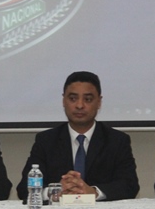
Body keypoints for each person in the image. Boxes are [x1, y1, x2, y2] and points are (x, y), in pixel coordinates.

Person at [16, 71, 140, 202]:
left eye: (88, 99)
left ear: (99, 102)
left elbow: (129, 186)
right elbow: (24, 188)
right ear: (63, 100)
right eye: (73, 99)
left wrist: (94, 192)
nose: (80, 105)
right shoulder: (46, 141)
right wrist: (56, 191)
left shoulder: (117, 140)